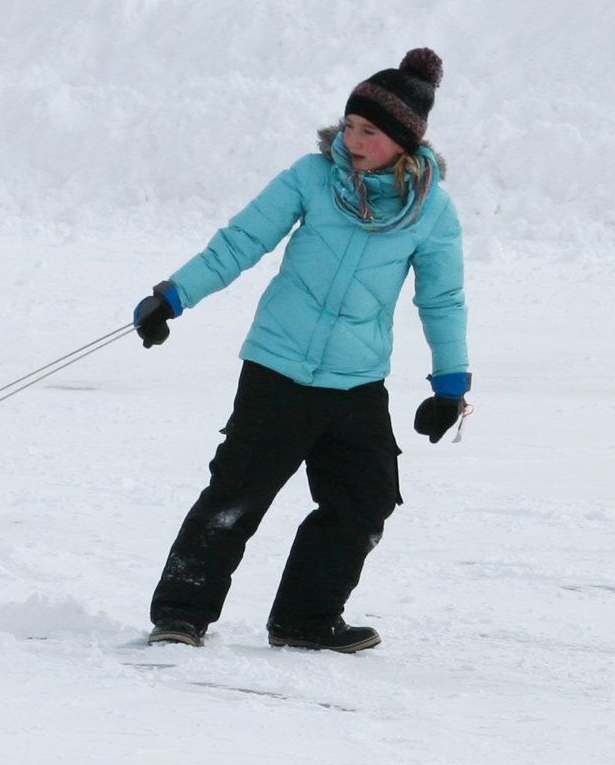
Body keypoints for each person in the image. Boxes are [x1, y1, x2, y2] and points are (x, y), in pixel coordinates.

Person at [134, 48, 469, 653]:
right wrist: (174, 295)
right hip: (277, 368)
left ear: (404, 141)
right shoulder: (312, 179)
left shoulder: (430, 210)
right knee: (236, 495)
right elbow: (241, 242)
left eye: (369, 131)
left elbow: (442, 300)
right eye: (349, 125)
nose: (353, 139)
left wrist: (450, 386)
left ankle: (305, 620)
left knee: (363, 502)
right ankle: (181, 614)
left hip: (356, 379)